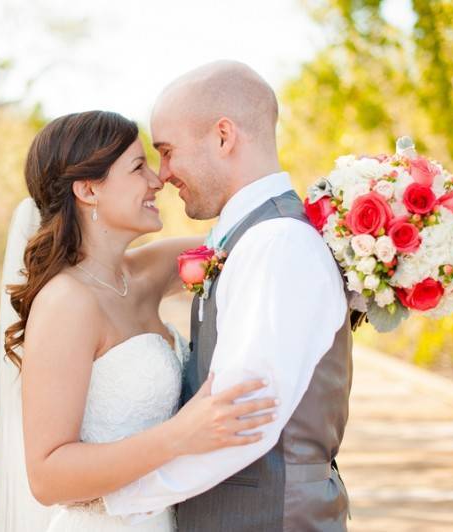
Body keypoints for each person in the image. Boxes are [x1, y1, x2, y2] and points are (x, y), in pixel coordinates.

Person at [0, 110, 278, 531]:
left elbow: (261, 240)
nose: (157, 180)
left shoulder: (149, 270)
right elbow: (47, 476)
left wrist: (369, 218)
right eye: (138, 166)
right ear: (89, 189)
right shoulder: (66, 302)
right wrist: (181, 434)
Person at [102, 61, 352, 531]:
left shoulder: (275, 243)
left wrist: (116, 498)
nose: (164, 174)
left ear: (223, 136)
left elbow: (241, 420)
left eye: (169, 151)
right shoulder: (248, 237)